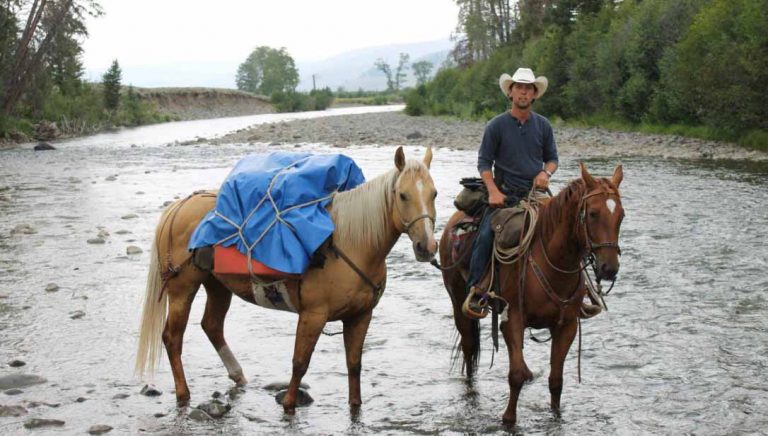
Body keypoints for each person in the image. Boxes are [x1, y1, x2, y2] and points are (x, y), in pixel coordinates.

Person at [462, 67, 601, 320]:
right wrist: (492, 191)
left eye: (528, 88)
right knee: (485, 234)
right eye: (519, 87)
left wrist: (545, 174)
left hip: (535, 193)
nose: (524, 92)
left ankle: (584, 291)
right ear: (511, 92)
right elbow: (484, 163)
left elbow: (552, 159)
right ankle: (478, 289)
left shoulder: (543, 126)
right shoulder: (496, 125)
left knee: (569, 228)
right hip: (504, 193)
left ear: (534, 94)